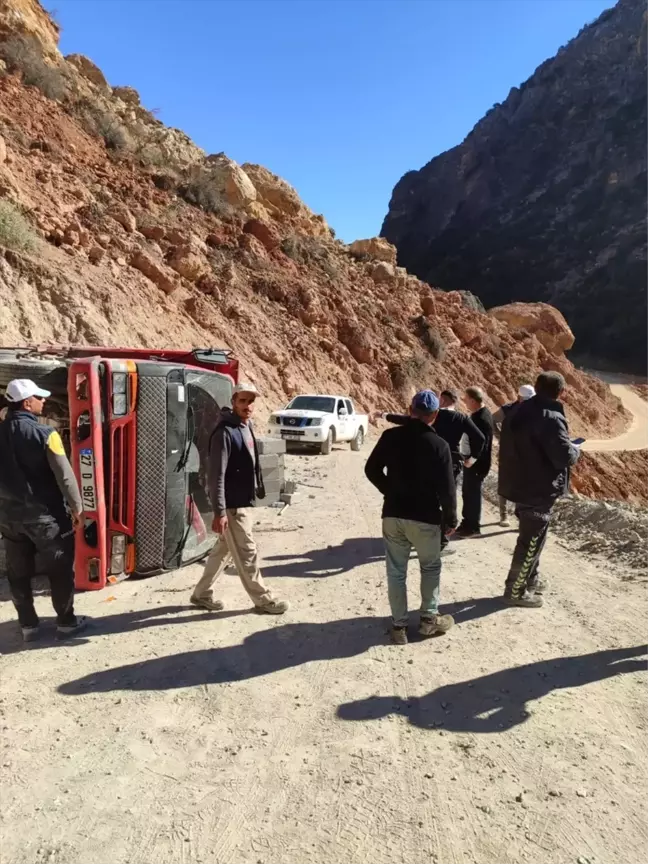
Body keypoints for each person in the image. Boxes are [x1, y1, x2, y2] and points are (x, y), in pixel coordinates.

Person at [365, 390, 457, 645]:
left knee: (396, 571)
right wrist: (450, 520)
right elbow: (448, 489)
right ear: (435, 415)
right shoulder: (439, 445)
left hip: (393, 514)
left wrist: (389, 490)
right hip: (426, 517)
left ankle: (399, 627)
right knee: (430, 567)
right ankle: (429, 620)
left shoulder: (390, 436)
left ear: (409, 409)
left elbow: (371, 469)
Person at [190, 383, 289, 615]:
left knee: (222, 550)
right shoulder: (224, 432)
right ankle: (264, 600)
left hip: (243, 501)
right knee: (247, 553)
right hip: (233, 506)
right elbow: (217, 476)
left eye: (251, 401)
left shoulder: (246, 425)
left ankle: (201, 594)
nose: (248, 406)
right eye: (243, 401)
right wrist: (220, 512)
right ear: (234, 401)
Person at [0, 379, 87, 642]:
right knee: (60, 570)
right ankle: (66, 624)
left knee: (17, 573)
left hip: (9, 519)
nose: (44, 401)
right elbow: (66, 476)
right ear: (27, 403)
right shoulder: (46, 434)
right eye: (39, 397)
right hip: (46, 518)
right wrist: (78, 509)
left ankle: (28, 626)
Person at [498, 372, 580, 608]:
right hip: (539, 488)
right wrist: (575, 450)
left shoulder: (518, 410)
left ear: (536, 387)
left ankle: (531, 580)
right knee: (531, 541)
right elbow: (563, 455)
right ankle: (515, 590)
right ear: (561, 392)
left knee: (533, 537)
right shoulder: (551, 417)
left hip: (519, 484)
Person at [374, 388, 484, 556]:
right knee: (444, 497)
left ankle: (417, 536)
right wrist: (472, 458)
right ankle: (441, 540)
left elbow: (405, 420)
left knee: (426, 497)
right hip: (451, 463)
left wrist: (384, 415)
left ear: (443, 401)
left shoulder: (428, 417)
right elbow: (480, 437)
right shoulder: (459, 418)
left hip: (426, 461)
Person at [493, 384, 535, 526]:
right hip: (507, 453)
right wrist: (501, 437)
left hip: (524, 455)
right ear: (519, 397)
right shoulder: (508, 409)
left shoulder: (533, 412)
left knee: (522, 486)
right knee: (505, 483)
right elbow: (492, 421)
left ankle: (521, 518)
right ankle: (503, 516)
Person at [456, 386, 494, 537]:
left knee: (472, 494)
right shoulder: (478, 414)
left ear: (472, 400)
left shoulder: (482, 418)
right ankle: (467, 522)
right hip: (473, 462)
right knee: (467, 492)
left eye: (465, 399)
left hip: (477, 463)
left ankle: (473, 527)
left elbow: (482, 442)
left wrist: (471, 460)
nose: (464, 402)